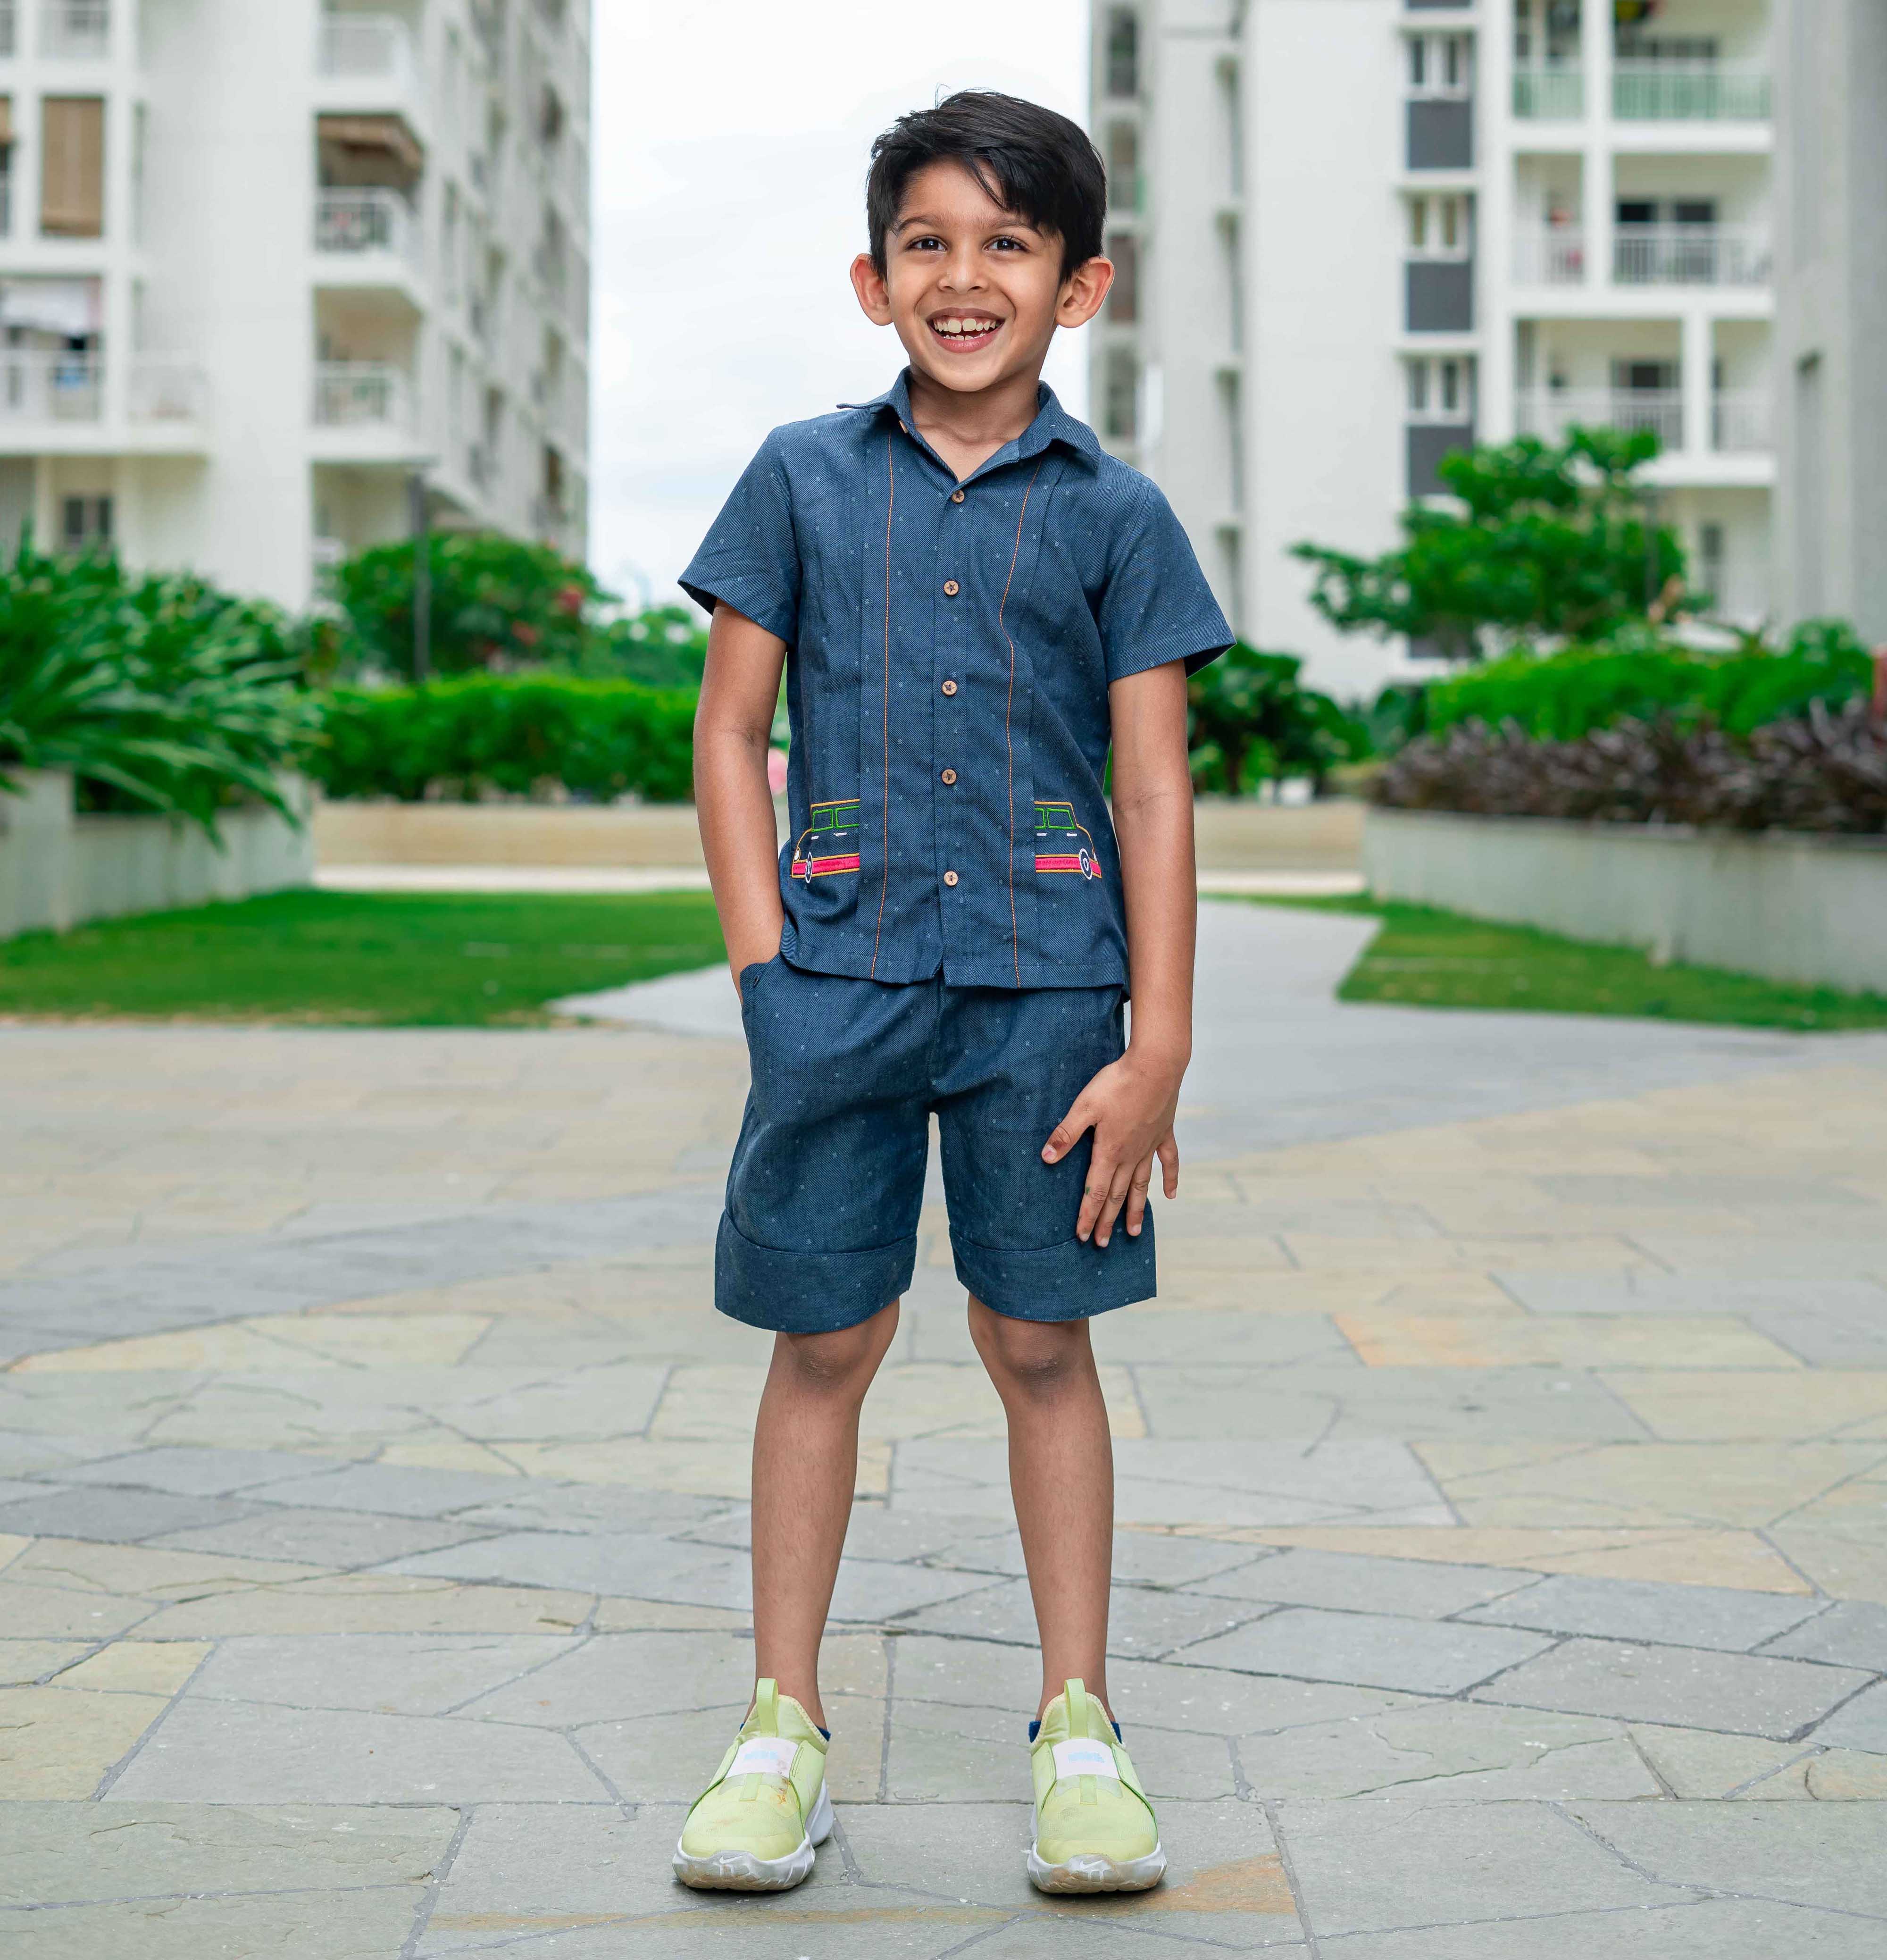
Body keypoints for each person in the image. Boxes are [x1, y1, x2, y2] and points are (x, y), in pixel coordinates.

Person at [671, 89, 1229, 1897]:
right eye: (928, 241)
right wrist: (768, 971)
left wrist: (1159, 1045)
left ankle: (1081, 1727)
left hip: (1055, 1000)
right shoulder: (798, 479)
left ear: (1080, 286)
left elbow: (1154, 787)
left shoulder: (1120, 515)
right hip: (835, 986)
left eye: (1008, 242)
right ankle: (780, 1727)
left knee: (1037, 1343)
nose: (964, 274)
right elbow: (730, 731)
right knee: (821, 1341)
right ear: (872, 276)